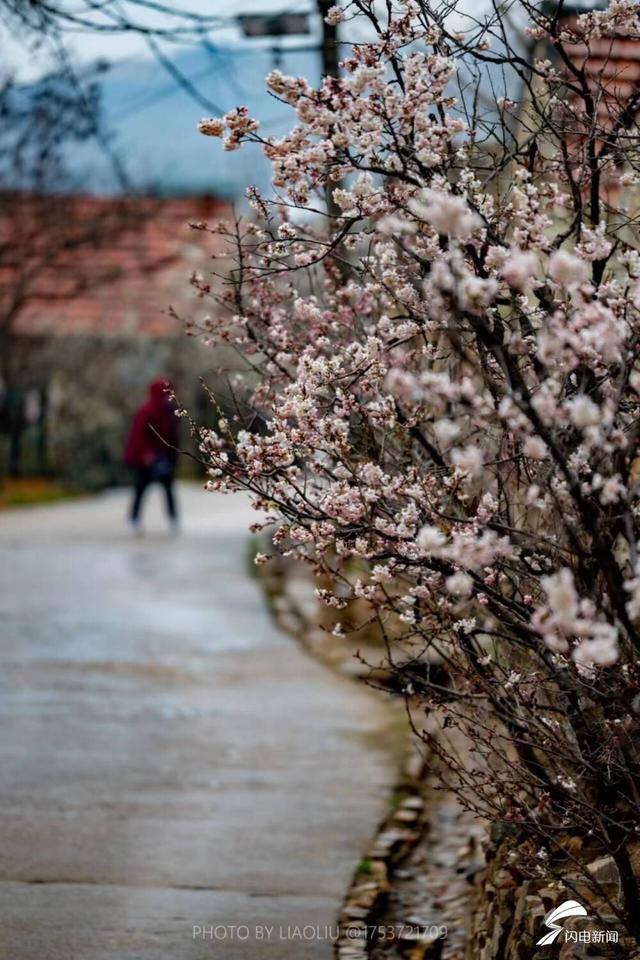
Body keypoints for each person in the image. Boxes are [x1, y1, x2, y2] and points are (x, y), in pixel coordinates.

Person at [124, 379, 179, 531]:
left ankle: (173, 518)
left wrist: (172, 457)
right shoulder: (146, 411)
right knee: (141, 489)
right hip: (146, 460)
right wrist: (146, 455)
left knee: (167, 488)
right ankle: (134, 519)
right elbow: (138, 436)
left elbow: (173, 436)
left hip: (163, 458)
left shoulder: (169, 412)